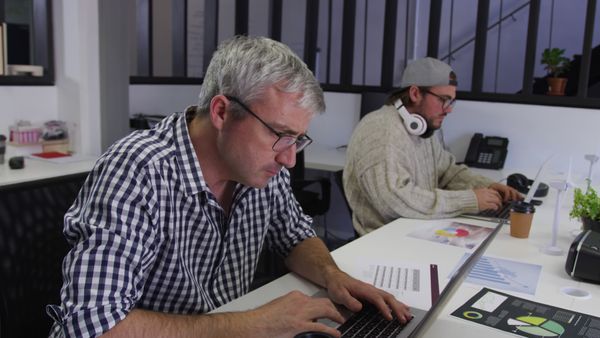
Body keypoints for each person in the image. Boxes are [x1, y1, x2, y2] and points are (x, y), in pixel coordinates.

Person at [47, 36, 411, 338]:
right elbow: (91, 325)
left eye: (297, 140)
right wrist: (254, 323)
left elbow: (294, 235)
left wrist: (334, 276)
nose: (288, 160)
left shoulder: (261, 169)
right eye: (280, 135)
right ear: (221, 112)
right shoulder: (138, 171)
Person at [343, 57, 522, 236]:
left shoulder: (423, 129)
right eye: (444, 99)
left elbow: (446, 172)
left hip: (418, 231)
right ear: (415, 93)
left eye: (451, 102)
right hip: (386, 244)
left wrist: (487, 186)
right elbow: (395, 202)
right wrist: (468, 200)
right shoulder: (382, 130)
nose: (448, 109)